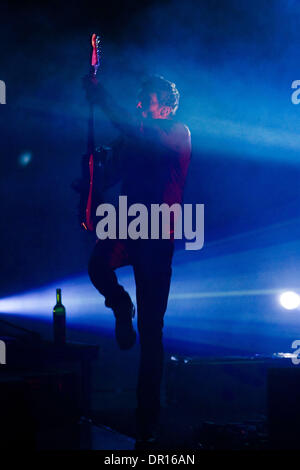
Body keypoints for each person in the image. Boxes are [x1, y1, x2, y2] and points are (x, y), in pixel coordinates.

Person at [84, 74, 191, 448]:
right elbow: (107, 175)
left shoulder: (177, 132)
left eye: (146, 100)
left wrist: (104, 99)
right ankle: (119, 302)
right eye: (139, 100)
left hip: (157, 236)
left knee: (151, 334)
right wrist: (92, 174)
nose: (140, 105)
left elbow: (142, 138)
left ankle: (146, 423)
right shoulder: (131, 134)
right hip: (128, 225)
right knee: (97, 266)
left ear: (166, 106)